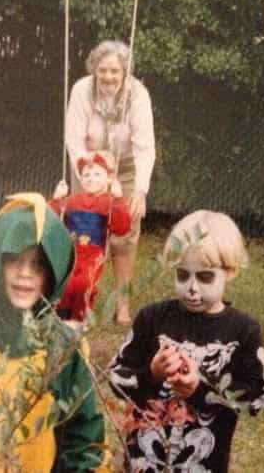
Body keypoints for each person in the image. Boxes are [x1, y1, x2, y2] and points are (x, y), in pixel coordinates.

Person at [109, 210, 264, 472]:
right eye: (182, 275)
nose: (192, 287)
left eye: (205, 277)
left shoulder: (243, 331)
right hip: (144, 462)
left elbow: (259, 398)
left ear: (230, 271)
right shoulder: (152, 318)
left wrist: (201, 390)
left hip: (204, 463)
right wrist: (152, 374)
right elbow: (115, 377)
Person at [0, 193, 105, 472]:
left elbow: (82, 437)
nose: (25, 273)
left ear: (55, 270)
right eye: (15, 259)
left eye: (38, 263)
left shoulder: (62, 346)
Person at [66, 40, 156, 326]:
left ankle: (122, 305)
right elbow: (74, 140)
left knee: (124, 236)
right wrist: (91, 175)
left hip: (125, 168)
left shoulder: (138, 94)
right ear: (94, 69)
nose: (108, 77)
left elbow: (145, 146)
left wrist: (140, 190)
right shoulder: (81, 90)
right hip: (88, 167)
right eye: (102, 70)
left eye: (115, 71)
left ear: (125, 72)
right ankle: (79, 300)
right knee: (85, 233)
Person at [49, 151, 131, 321]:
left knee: (84, 283)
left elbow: (121, 228)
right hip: (71, 253)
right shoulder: (72, 200)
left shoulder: (110, 201)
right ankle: (62, 313)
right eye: (86, 175)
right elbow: (52, 220)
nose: (91, 179)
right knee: (66, 281)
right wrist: (56, 200)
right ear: (81, 179)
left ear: (109, 178)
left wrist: (119, 199)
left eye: (97, 174)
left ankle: (80, 316)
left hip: (93, 255)